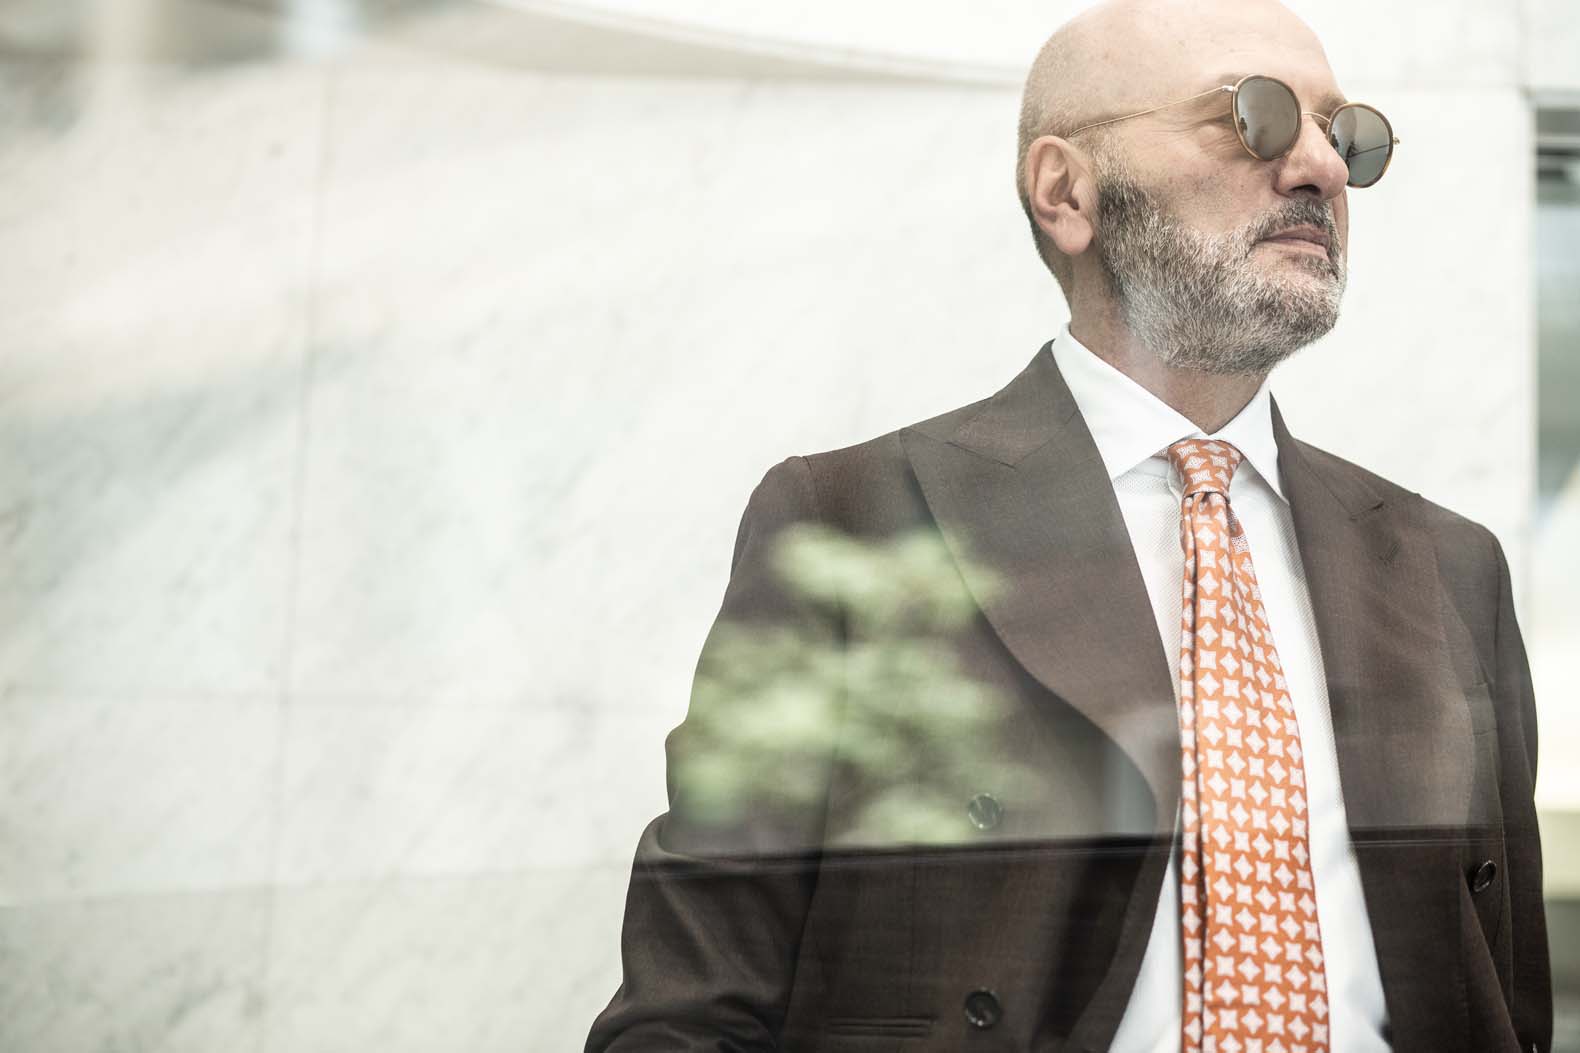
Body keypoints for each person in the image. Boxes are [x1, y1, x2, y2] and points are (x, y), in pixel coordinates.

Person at [586, 0, 1551, 1049]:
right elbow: (693, 1008)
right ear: (1066, 191)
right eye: (1256, 118)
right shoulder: (856, 520)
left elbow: (1503, 997)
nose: (1321, 167)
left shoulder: (1449, 566)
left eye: (1345, 134)